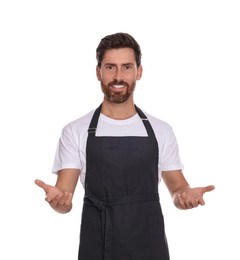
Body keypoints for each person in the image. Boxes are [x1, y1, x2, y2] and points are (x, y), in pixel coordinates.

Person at [35, 32, 215, 260]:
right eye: (110, 67)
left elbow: (178, 189)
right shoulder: (75, 130)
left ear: (138, 72)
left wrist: (185, 197)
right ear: (98, 72)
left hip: (149, 243)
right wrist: (58, 202)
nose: (118, 76)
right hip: (97, 242)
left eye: (126, 67)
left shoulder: (162, 130)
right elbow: (65, 196)